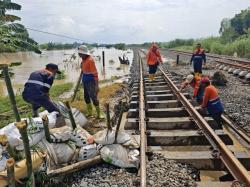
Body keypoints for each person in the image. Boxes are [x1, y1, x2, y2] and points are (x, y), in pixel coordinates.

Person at [78, 45, 105, 119]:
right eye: (79, 53)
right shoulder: (83, 60)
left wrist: (96, 86)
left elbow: (95, 74)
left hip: (91, 82)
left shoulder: (90, 61)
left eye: (80, 53)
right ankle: (90, 112)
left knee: (93, 97)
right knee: (86, 97)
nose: (79, 54)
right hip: (85, 81)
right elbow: (83, 71)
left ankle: (99, 114)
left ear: (84, 53)